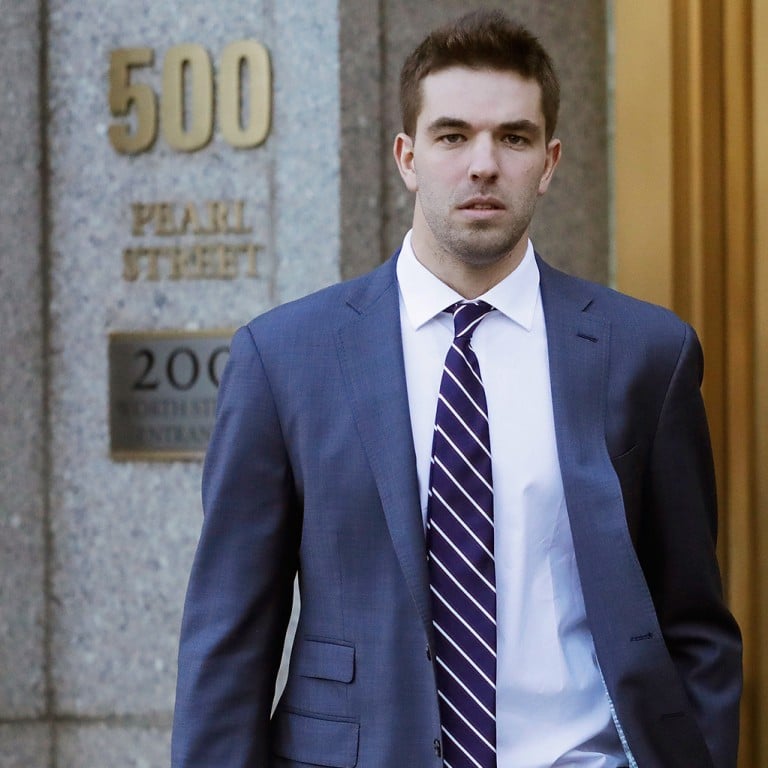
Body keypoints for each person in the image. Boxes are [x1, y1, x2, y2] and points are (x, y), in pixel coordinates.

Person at [171, 10, 742, 768]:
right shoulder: (286, 359)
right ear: (407, 156)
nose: (483, 164)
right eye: (452, 136)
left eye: (513, 137)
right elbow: (229, 641)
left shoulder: (647, 355)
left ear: (550, 161)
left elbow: (694, 624)